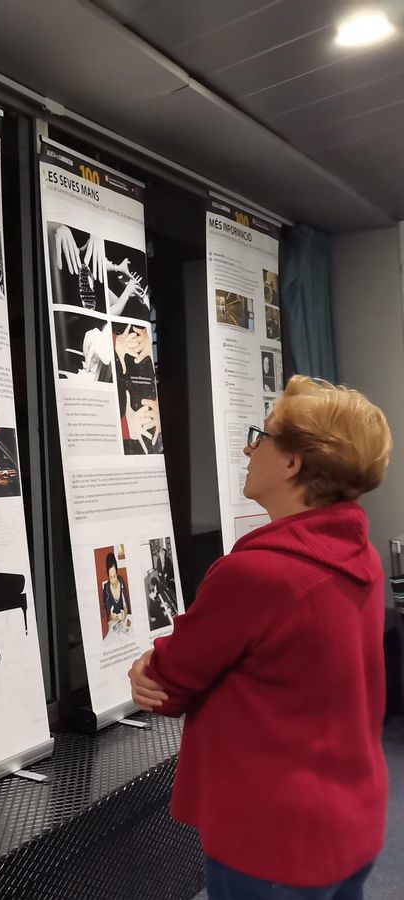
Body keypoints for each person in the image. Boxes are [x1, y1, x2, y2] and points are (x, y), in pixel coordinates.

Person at [128, 376, 392, 899]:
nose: (250, 448)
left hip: (273, 837)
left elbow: (170, 684)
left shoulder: (259, 575)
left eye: (263, 435)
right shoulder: (357, 552)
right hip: (347, 822)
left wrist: (146, 666)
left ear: (292, 462)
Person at [100, 552, 130, 636]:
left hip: (123, 623)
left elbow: (125, 606)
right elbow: (106, 618)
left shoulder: (121, 582)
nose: (113, 580)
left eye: (114, 576)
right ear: (108, 576)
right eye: (110, 577)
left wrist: (125, 612)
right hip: (113, 627)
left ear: (117, 573)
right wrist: (111, 617)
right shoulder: (106, 590)